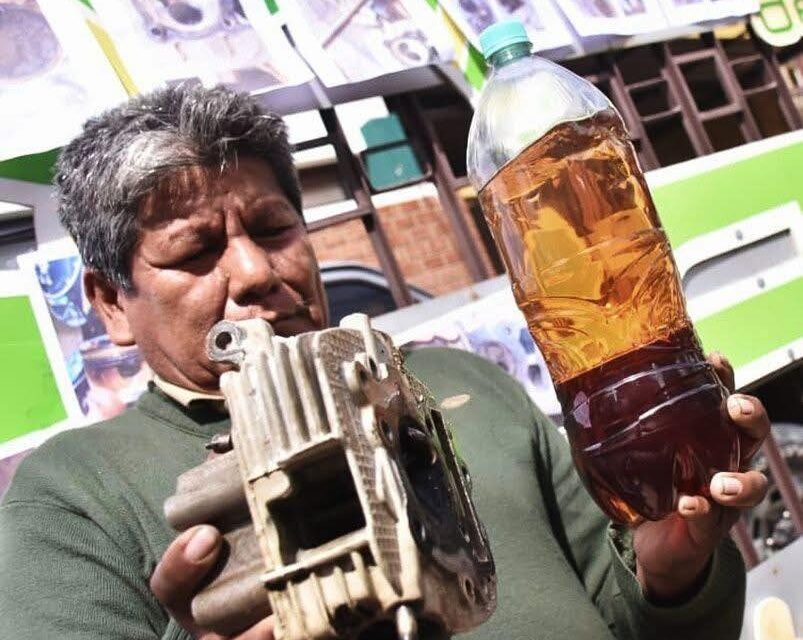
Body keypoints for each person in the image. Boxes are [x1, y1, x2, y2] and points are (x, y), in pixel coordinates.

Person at [0, 85, 771, 640]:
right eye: (195, 251)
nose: (254, 272)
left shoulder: (464, 383)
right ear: (108, 302)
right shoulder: (72, 495)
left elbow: (639, 616)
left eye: (272, 229)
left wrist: (673, 575)